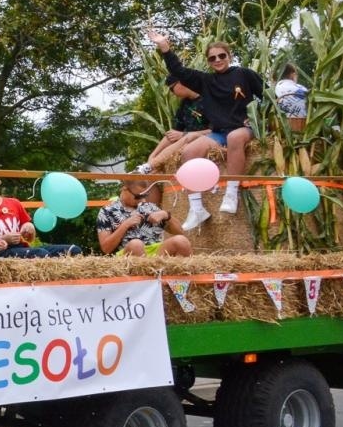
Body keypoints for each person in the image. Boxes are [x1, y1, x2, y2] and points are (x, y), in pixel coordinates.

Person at [146, 28, 264, 227]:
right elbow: (179, 72)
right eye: (212, 58)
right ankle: (197, 209)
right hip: (219, 133)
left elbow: (267, 96)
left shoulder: (244, 74)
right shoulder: (206, 81)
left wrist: (257, 118)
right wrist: (165, 48)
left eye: (221, 55)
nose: (217, 60)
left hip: (243, 129)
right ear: (208, 61)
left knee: (235, 137)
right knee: (189, 153)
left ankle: (231, 194)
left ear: (229, 56)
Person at [135, 77, 211, 206]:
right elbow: (173, 133)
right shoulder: (184, 104)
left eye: (172, 88)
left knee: (187, 139)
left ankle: (151, 165)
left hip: (202, 139)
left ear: (182, 82)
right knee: (149, 176)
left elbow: (216, 130)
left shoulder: (209, 99)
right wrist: (152, 156)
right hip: (183, 139)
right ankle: (150, 165)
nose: (171, 92)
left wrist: (184, 134)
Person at [96, 178, 192, 257]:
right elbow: (106, 248)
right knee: (136, 245)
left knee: (181, 241)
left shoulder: (150, 207)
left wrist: (166, 215)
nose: (141, 200)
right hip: (129, 255)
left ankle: (180, 280)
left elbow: (180, 232)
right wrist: (125, 225)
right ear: (124, 189)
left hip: (157, 255)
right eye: (138, 196)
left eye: (144, 195)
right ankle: (145, 278)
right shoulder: (107, 211)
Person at [0, 180, 81, 257]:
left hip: (22, 248)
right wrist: (4, 239)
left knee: (74, 250)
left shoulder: (14, 203)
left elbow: (29, 235)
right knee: (41, 254)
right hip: (3, 252)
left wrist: (29, 227)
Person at [275, 63, 309, 133]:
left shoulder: (274, 89)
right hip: (302, 126)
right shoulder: (302, 89)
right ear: (293, 75)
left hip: (280, 127)